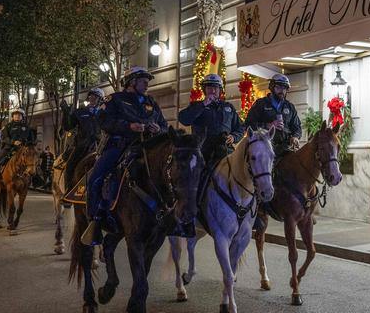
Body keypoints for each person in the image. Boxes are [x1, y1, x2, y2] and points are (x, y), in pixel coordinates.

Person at [82, 67, 167, 246]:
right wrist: (129, 127)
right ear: (132, 82)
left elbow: (163, 125)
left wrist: (159, 129)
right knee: (95, 177)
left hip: (147, 147)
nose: (147, 85)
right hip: (119, 146)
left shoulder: (151, 102)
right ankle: (95, 219)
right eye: (143, 81)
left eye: (147, 81)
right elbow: (103, 121)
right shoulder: (115, 99)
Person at [178, 74, 244, 170]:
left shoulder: (228, 107)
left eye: (215, 88)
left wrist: (234, 137)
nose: (213, 91)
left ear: (220, 90)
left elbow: (241, 127)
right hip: (203, 151)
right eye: (209, 87)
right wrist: (203, 104)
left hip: (225, 150)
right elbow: (183, 119)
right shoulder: (196, 106)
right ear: (205, 89)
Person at [245, 73, 302, 157]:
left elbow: (297, 127)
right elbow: (248, 124)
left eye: (285, 88)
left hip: (286, 148)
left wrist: (295, 137)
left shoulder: (290, 107)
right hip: (265, 147)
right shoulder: (260, 104)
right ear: (272, 87)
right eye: (279, 87)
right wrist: (268, 125)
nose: (282, 90)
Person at [60, 87, 104, 193]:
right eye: (91, 96)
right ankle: (68, 191)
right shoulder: (79, 112)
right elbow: (68, 127)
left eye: (95, 97)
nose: (92, 98)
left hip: (101, 145)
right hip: (82, 145)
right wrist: (65, 112)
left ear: (100, 100)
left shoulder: (104, 113)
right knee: (70, 165)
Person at [0, 108, 35, 186]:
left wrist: (26, 143)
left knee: (33, 161)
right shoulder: (8, 126)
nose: (17, 116)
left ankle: (35, 180)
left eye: (19, 115)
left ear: (22, 116)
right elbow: (4, 138)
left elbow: (32, 139)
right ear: (13, 116)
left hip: (23, 149)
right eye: (15, 115)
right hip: (9, 148)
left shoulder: (27, 128)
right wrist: (13, 142)